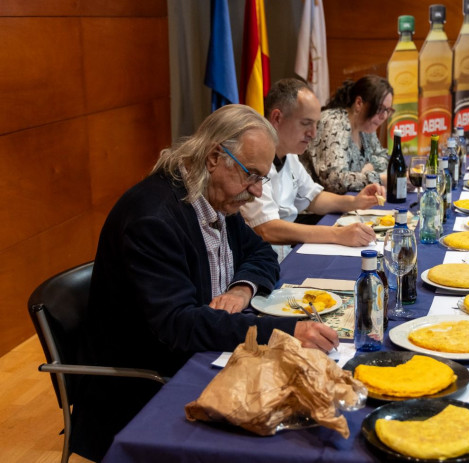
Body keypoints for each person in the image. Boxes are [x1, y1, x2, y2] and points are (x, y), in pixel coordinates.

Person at [70, 104, 339, 461]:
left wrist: (241, 289)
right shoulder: (154, 219)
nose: (257, 192)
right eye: (251, 175)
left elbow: (259, 252)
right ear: (215, 157)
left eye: (262, 179)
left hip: (199, 349)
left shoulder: (216, 195)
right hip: (145, 385)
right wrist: (284, 331)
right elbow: (178, 325)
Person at [241, 78, 386, 261]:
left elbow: (314, 198)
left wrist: (355, 202)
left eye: (316, 124)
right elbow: (266, 228)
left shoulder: (290, 155)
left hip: (284, 256)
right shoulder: (252, 158)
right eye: (306, 123)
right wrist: (337, 235)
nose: (314, 133)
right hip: (257, 262)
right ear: (277, 118)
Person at [300, 74, 394, 194]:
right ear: (359, 103)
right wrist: (378, 178)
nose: (384, 116)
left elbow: (383, 157)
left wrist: (368, 168)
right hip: (317, 207)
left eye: (388, 110)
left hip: (347, 201)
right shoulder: (334, 123)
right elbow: (334, 180)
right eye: (380, 108)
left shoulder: (366, 127)